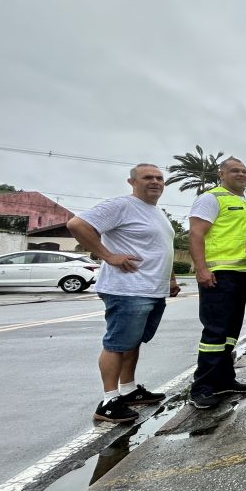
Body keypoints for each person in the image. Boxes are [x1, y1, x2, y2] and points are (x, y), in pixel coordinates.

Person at [67, 164, 180, 423]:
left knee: (132, 342)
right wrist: (107, 255)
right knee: (117, 344)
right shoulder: (121, 206)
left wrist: (171, 278)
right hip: (127, 289)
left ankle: (129, 391)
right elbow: (77, 224)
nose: (155, 182)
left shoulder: (157, 212)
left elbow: (162, 248)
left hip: (151, 289)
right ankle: (108, 401)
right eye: (147, 178)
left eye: (159, 178)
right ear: (132, 182)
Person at [187, 157, 246, 410]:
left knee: (229, 333)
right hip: (219, 273)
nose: (241, 174)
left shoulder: (245, 203)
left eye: (244, 171)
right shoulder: (211, 198)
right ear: (221, 174)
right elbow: (196, 233)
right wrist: (202, 268)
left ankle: (225, 379)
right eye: (235, 171)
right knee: (214, 333)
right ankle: (202, 388)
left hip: (240, 273)